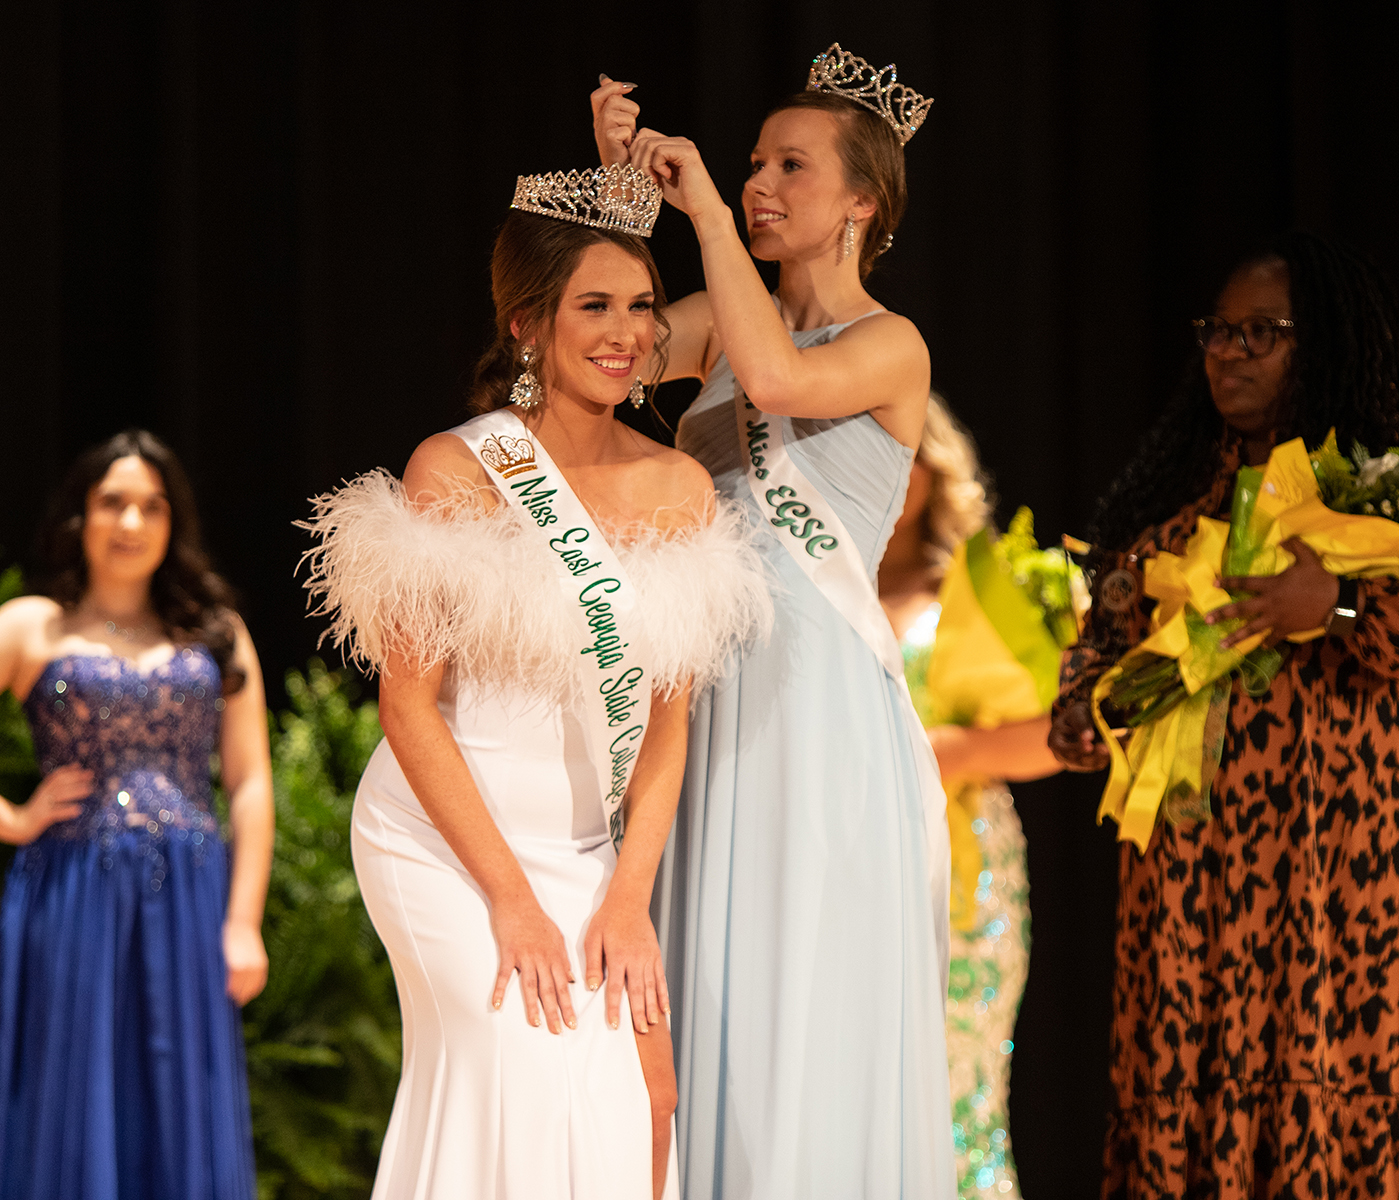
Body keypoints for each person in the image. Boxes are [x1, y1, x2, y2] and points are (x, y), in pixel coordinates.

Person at [300, 167, 771, 1200]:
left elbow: (666, 725)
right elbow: (407, 706)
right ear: (528, 325)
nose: (626, 330)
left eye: (642, 305)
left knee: (610, 1104)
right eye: (592, 305)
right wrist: (509, 898)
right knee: (509, 1064)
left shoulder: (680, 486)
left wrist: (631, 896)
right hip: (440, 842)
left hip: (589, 858)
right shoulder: (458, 470)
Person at [593, 44, 957, 1197]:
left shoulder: (888, 344)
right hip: (699, 696)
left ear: (862, 201)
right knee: (700, 988)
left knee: (799, 985)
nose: (757, 182)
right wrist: (616, 197)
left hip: (815, 711)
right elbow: (599, 352)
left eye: (788, 166)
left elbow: (777, 381)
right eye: (750, 163)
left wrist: (696, 204)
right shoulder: (708, 313)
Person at [1049, 232, 1399, 1196]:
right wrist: (1082, 714)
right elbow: (1099, 655)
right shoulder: (1160, 510)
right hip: (1186, 888)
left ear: (1320, 346)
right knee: (1180, 1104)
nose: (1228, 352)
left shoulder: (1368, 500)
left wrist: (1329, 605)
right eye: (1217, 332)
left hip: (1329, 887)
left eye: (1261, 333)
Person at [0, 429, 273, 1200]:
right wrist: (15, 819)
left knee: (181, 1096)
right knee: (71, 1092)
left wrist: (243, 920)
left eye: (151, 506)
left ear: (172, 522)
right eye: (112, 502)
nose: (131, 522)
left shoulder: (215, 634)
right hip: (70, 892)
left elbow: (250, 783)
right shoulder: (29, 626)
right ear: (79, 517)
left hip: (191, 898)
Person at [879, 395, 1062, 1199]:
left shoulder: (972, 589)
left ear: (930, 469)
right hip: (847, 868)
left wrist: (941, 753)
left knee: (959, 1090)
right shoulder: (807, 590)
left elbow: (1058, 732)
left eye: (897, 451)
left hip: (962, 876)